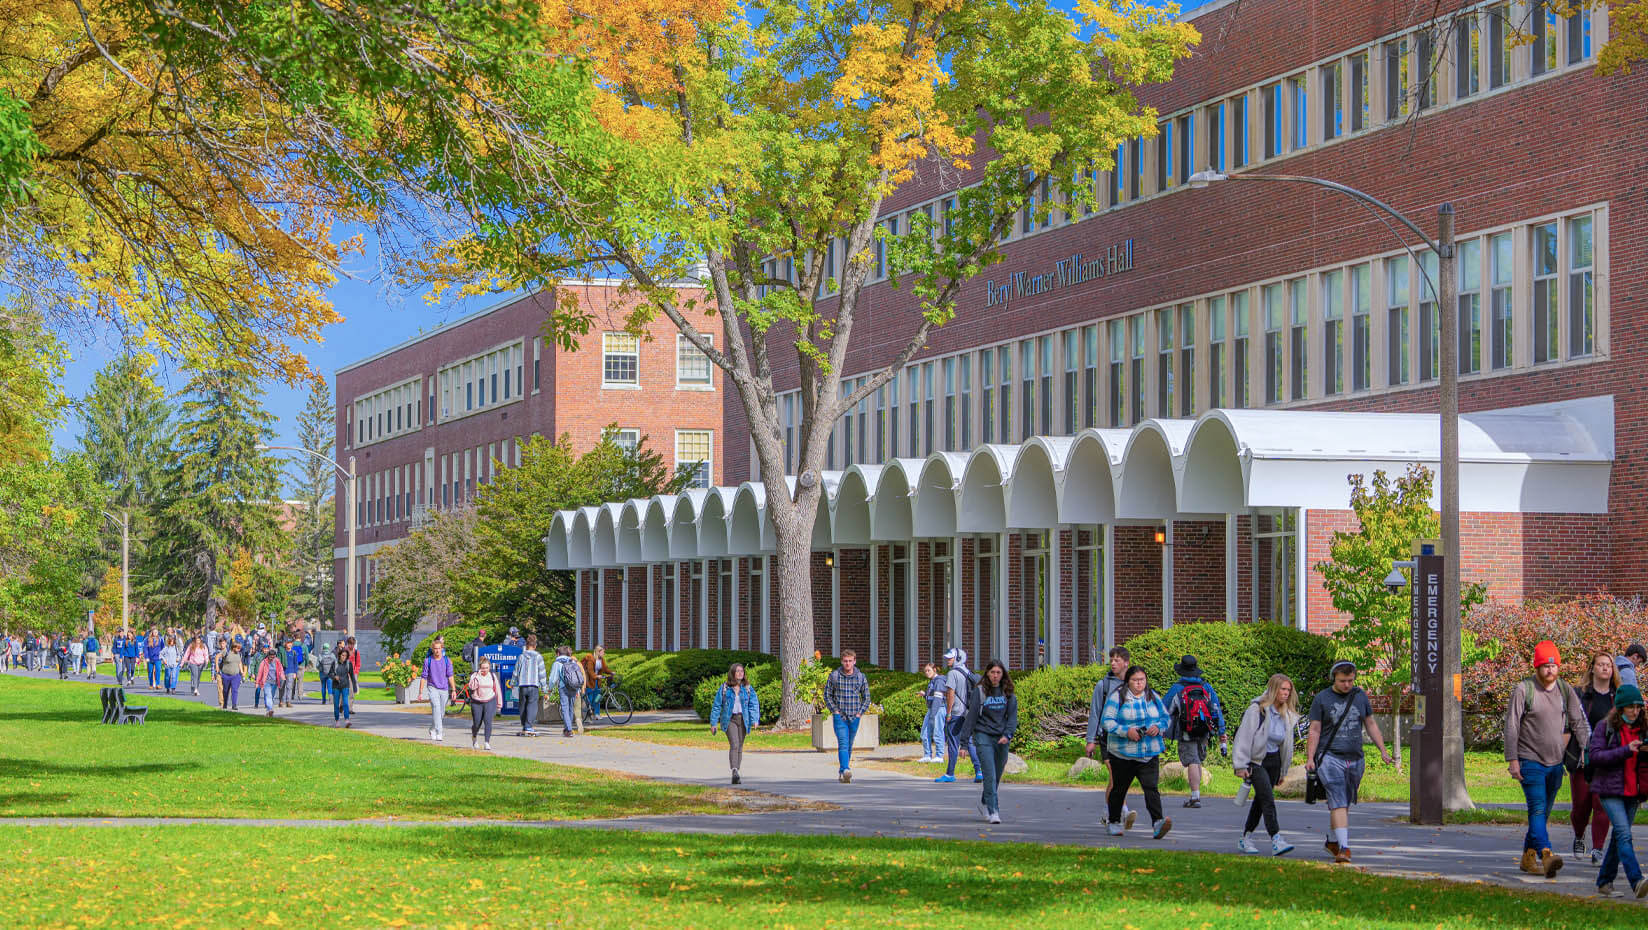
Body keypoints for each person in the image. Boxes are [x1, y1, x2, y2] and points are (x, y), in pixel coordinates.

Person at [1505, 640, 1591, 878]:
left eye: (1553, 666)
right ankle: (1546, 854)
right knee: (1537, 809)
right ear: (1537, 667)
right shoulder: (1524, 689)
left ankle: (1527, 858)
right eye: (1544, 666)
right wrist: (1512, 760)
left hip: (1556, 763)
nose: (1549, 670)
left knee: (1542, 814)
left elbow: (1578, 722)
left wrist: (1587, 748)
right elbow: (1511, 726)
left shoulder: (1565, 690)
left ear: (1558, 667)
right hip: (1529, 760)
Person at [1307, 659, 1394, 865]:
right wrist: (1310, 758)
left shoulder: (1360, 696)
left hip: (1355, 758)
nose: (1347, 685)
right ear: (1333, 679)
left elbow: (1370, 723)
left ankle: (1332, 840)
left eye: (1351, 680)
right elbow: (1315, 730)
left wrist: (1382, 750)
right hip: (1330, 758)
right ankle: (1344, 848)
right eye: (1343, 681)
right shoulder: (1322, 699)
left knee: (1343, 802)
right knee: (1338, 799)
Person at [1585, 683, 1648, 898]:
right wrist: (1624, 751)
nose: (1635, 711)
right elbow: (1595, 756)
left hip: (1634, 792)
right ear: (1620, 708)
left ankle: (1604, 881)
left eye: (1638, 707)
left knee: (1617, 838)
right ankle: (1637, 880)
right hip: (1610, 790)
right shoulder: (1606, 727)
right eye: (1631, 707)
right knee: (1624, 834)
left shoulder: (1644, 729)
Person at [1100, 664, 1173, 839]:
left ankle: (1158, 823)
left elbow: (1166, 718)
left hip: (1148, 752)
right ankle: (1114, 822)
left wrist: (1158, 727)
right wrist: (1127, 732)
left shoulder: (1153, 696)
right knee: (1119, 788)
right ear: (1128, 681)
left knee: (1151, 788)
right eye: (1135, 680)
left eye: (1142, 680)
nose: (1139, 684)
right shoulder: (1118, 696)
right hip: (1123, 753)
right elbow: (1107, 721)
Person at [1232, 673, 1300, 856]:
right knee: (1268, 800)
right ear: (1273, 689)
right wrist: (1240, 765)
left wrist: (1283, 771)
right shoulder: (1257, 710)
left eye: (1288, 690)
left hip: (1274, 761)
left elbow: (1287, 745)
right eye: (1282, 689)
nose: (1285, 693)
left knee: (1260, 801)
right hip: (1257, 762)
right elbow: (1244, 737)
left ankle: (1245, 838)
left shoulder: (1287, 715)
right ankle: (1276, 838)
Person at [1162, 654, 1228, 809]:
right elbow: (1216, 710)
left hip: (1186, 731)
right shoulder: (1206, 687)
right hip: (1204, 731)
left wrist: (1161, 731)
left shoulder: (1177, 688)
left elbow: (1164, 710)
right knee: (1197, 758)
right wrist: (1221, 732)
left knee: (1192, 760)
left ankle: (1195, 796)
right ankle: (1196, 794)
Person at [1573, 652, 1618, 862]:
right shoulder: (1580, 694)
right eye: (1600, 664)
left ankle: (1598, 848)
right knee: (1581, 806)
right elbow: (1569, 723)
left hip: (1607, 758)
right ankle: (1579, 835)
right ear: (1592, 668)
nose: (1605, 668)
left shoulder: (1617, 696)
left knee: (1602, 805)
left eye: (1608, 665)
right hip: (1584, 757)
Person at [960, 659, 1018, 824]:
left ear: (1003, 674)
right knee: (989, 775)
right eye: (992, 672)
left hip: (1002, 738)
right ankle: (994, 811)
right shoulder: (980, 691)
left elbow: (1012, 717)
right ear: (987, 673)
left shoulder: (1008, 693)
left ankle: (985, 800)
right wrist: (964, 744)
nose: (995, 676)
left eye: (998, 673)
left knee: (997, 774)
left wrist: (1008, 734)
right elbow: (970, 718)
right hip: (983, 736)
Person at [1086, 646, 1137, 829]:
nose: (1113, 663)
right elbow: (1095, 713)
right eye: (1111, 660)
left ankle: (1108, 812)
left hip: (1125, 736)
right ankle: (1122, 810)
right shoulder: (1104, 685)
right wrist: (1090, 740)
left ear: (1126, 663)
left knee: (1118, 778)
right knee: (1116, 774)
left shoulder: (1133, 684)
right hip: (1107, 736)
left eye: (1117, 660)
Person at [824, 650, 870, 783]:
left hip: (854, 717)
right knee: (843, 743)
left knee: (849, 745)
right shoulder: (835, 676)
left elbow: (866, 698)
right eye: (845, 661)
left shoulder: (861, 677)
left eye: (850, 661)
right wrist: (835, 711)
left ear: (854, 661)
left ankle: (842, 772)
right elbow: (827, 695)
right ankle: (846, 769)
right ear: (841, 661)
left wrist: (859, 713)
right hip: (840, 717)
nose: (847, 663)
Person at [710, 663, 760, 784]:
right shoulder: (725, 688)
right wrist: (713, 723)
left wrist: (755, 719)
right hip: (730, 719)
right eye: (737, 671)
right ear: (732, 673)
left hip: (743, 720)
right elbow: (717, 706)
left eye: (742, 671)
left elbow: (754, 704)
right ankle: (734, 770)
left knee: (740, 746)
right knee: (735, 744)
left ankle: (736, 771)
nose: (740, 673)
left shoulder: (747, 688)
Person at [936, 647, 980, 784]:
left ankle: (950, 774)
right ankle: (979, 771)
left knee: (953, 743)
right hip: (968, 713)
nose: (947, 660)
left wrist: (948, 713)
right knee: (969, 741)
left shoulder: (952, 673)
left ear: (958, 658)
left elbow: (950, 694)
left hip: (956, 713)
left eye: (950, 658)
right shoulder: (968, 672)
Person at [421, 637, 455, 742]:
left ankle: (432, 729)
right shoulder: (428, 661)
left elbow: (450, 676)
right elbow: (424, 676)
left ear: (442, 649)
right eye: (435, 648)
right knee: (436, 707)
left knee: (441, 712)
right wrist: (420, 692)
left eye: (439, 648)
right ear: (432, 649)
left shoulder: (447, 660)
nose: (437, 650)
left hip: (444, 688)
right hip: (432, 687)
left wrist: (453, 690)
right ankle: (439, 732)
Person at [466, 655, 502, 750]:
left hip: (490, 700)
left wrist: (499, 704)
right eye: (483, 668)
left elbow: (497, 690)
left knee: (488, 721)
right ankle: (474, 737)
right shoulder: (475, 675)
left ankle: (487, 742)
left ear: (489, 667)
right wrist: (477, 676)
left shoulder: (492, 676)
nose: (485, 670)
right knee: (477, 723)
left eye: (486, 668)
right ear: (479, 668)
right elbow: (472, 687)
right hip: (477, 701)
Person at [549, 645, 585, 738]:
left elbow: (553, 679)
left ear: (558, 653)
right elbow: (576, 675)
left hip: (563, 687)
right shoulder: (572, 661)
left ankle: (569, 730)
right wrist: (578, 690)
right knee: (570, 708)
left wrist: (549, 689)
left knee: (564, 708)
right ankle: (566, 728)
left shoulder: (557, 663)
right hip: (573, 687)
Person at [515, 634, 547, 736]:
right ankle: (528, 726)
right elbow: (542, 674)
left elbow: (516, 671)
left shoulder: (521, 657)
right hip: (533, 685)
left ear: (526, 645)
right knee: (532, 706)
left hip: (523, 685)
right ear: (535, 645)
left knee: (523, 706)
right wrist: (544, 689)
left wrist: (512, 683)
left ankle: (525, 726)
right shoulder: (538, 657)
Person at [919, 661, 947, 763]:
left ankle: (939, 756)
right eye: (925, 671)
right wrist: (925, 695)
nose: (926, 672)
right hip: (931, 709)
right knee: (924, 733)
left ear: (934, 670)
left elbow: (938, 699)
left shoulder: (939, 681)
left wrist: (933, 714)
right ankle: (927, 755)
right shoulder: (931, 682)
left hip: (938, 709)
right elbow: (932, 696)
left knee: (937, 732)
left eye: (928, 670)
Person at [329, 640, 358, 727]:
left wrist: (354, 686)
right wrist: (334, 677)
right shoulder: (335, 663)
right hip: (336, 686)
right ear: (339, 655)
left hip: (345, 686)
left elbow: (352, 676)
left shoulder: (349, 664)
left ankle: (346, 720)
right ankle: (337, 721)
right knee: (336, 704)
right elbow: (330, 673)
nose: (344, 657)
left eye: (345, 656)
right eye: (342, 655)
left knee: (345, 703)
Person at [254, 647, 284, 716]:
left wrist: (282, 677)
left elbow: (281, 670)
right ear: (268, 656)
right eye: (271, 657)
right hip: (266, 682)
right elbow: (260, 673)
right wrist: (257, 682)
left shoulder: (277, 661)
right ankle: (270, 709)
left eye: (273, 657)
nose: (272, 659)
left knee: (272, 696)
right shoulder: (264, 662)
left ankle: (268, 711)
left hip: (275, 682)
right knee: (268, 695)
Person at [581, 645, 609, 719]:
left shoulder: (601, 660)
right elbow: (590, 671)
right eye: (603, 652)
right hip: (590, 681)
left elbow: (605, 668)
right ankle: (587, 715)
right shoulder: (591, 659)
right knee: (590, 698)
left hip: (597, 681)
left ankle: (596, 714)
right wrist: (596, 676)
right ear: (598, 652)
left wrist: (611, 672)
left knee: (597, 698)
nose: (604, 653)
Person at [217, 642, 245, 710]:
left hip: (236, 675)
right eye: (238, 648)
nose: (239, 650)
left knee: (235, 690)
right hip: (226, 675)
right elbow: (217, 656)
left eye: (240, 648)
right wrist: (217, 667)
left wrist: (242, 671)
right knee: (226, 691)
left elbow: (239, 662)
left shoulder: (239, 654)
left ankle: (234, 705)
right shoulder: (226, 652)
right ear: (233, 647)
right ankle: (225, 703)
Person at [279, 636, 305, 707]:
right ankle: (281, 701)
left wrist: (295, 673)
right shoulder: (282, 652)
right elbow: (279, 662)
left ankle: (288, 702)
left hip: (291, 672)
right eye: (288, 643)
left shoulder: (294, 652)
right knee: (281, 687)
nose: (289, 644)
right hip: (283, 672)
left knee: (289, 687)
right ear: (285, 644)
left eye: (290, 643)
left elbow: (295, 663)